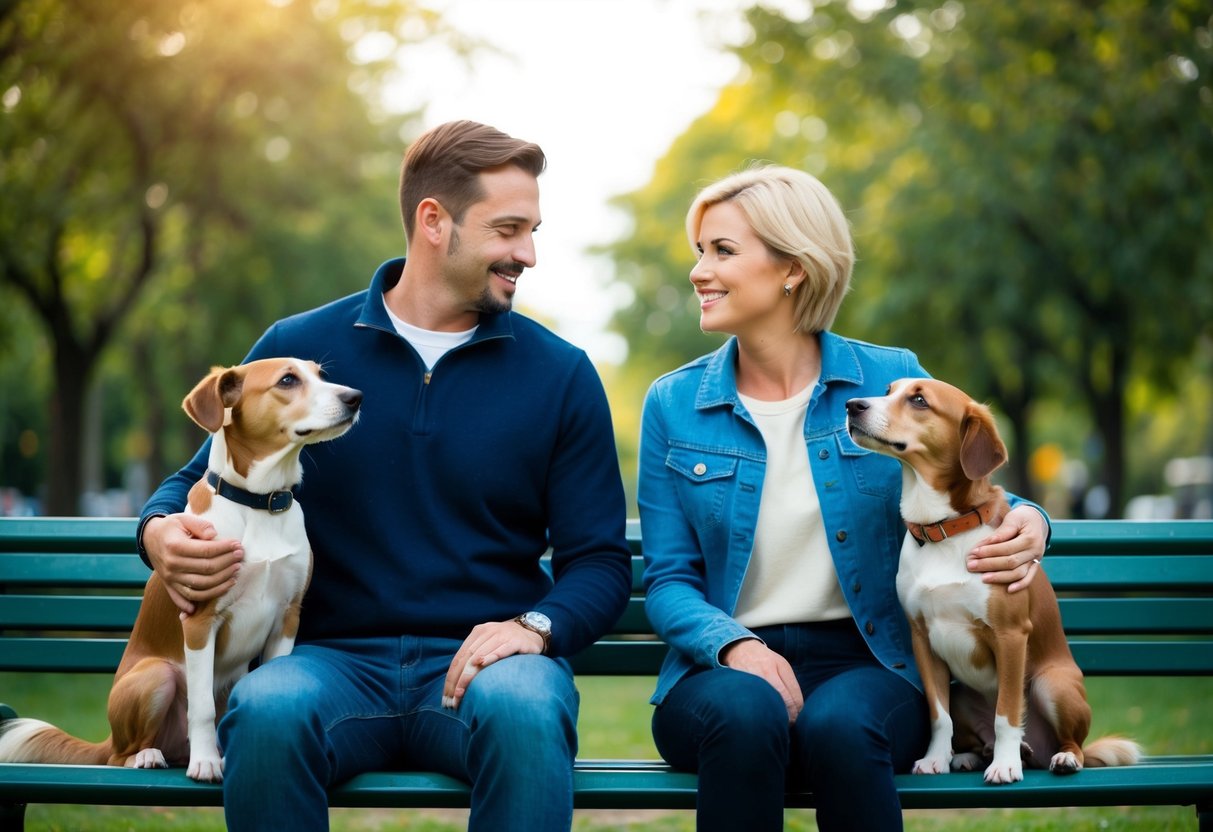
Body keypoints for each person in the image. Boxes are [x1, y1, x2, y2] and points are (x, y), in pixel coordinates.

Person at [137, 120, 632, 832]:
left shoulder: (561, 375)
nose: (528, 254)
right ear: (433, 221)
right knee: (268, 707)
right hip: (327, 662)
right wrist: (158, 533)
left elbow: (600, 562)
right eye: (508, 230)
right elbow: (196, 476)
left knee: (527, 706)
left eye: (531, 231)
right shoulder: (298, 350)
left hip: (485, 664)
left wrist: (534, 627)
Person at [636, 165, 1050, 831]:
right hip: (722, 664)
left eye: (722, 251)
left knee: (841, 727)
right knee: (745, 714)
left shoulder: (890, 379)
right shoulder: (673, 403)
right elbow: (668, 581)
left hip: (870, 659)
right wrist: (735, 648)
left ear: (793, 268)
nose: (698, 271)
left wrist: (1032, 518)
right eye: (700, 251)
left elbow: (967, 476)